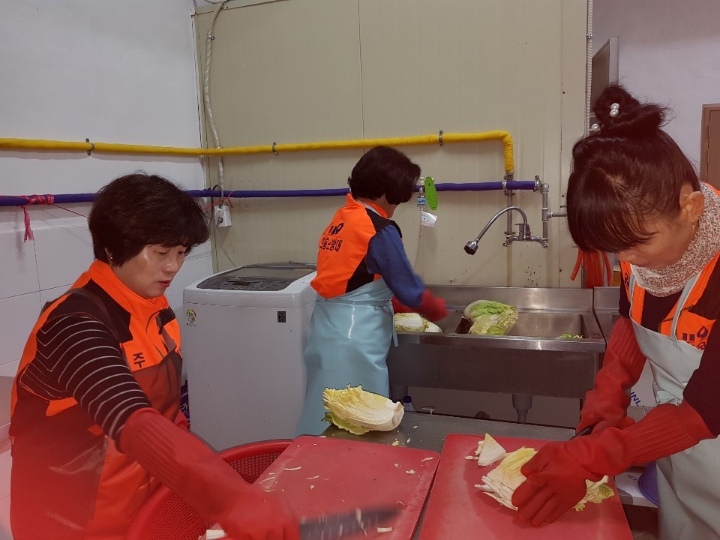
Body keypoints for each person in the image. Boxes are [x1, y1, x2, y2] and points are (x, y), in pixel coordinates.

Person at [9, 173, 300, 540]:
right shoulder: (74, 324)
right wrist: (228, 499)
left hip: (141, 508)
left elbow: (167, 417)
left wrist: (230, 485)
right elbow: (130, 417)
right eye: (161, 253)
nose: (173, 266)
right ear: (114, 248)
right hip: (69, 522)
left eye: (181, 253)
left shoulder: (157, 312)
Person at [511, 84, 720, 539]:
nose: (625, 262)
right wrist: (610, 388)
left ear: (691, 207)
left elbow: (704, 412)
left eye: (634, 245)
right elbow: (633, 319)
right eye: (613, 249)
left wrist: (598, 455)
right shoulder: (645, 255)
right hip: (683, 461)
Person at [295, 146, 447, 435]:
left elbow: (354, 277)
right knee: (359, 420)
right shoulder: (379, 228)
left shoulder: (341, 219)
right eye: (399, 197)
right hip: (356, 340)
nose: (397, 205)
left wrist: (390, 300)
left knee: (325, 414)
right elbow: (408, 288)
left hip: (325, 332)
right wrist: (438, 309)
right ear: (387, 192)